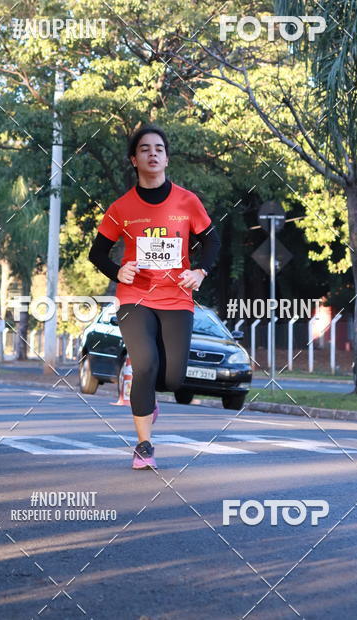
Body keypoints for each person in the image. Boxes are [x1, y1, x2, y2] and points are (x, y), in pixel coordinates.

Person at [89, 125, 220, 470]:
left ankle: (147, 399)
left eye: (159, 148)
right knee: (145, 364)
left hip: (177, 297)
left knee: (173, 379)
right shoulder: (121, 207)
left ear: (166, 158)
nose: (152, 153)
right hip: (135, 296)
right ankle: (143, 445)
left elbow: (212, 240)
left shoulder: (187, 201)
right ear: (134, 159)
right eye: (144, 149)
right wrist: (117, 271)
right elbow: (97, 253)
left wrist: (201, 272)